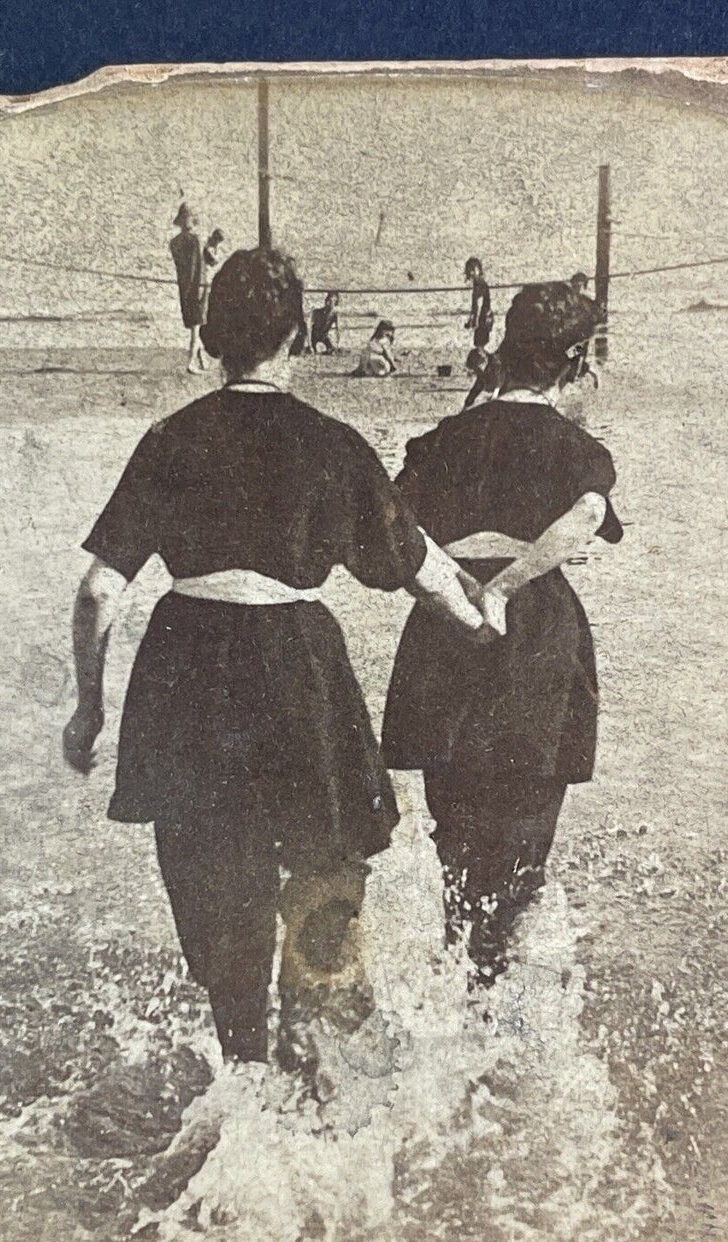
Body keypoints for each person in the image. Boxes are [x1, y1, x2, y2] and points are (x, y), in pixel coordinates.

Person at [63, 247, 486, 1070]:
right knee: (325, 860)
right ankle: (309, 1046)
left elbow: (97, 591)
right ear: (295, 334)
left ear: (216, 337)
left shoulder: (169, 438)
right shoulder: (331, 443)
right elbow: (414, 564)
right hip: (299, 666)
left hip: (186, 665)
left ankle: (241, 1064)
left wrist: (89, 709)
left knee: (215, 875)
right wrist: (480, 622)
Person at [382, 282, 624, 988]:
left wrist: (456, 587)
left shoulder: (440, 440)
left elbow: (391, 531)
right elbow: (585, 516)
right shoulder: (577, 446)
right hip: (536, 635)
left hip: (442, 633)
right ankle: (499, 1013)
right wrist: (505, 586)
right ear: (574, 359)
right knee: (521, 845)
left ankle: (458, 989)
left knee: (454, 840)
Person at [169, 202, 206, 372]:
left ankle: (201, 359)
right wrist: (197, 288)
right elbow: (195, 267)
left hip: (184, 288)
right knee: (196, 327)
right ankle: (191, 362)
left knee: (196, 325)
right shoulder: (194, 240)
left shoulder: (174, 242)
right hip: (196, 288)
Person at [464, 256, 493, 350]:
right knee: (480, 343)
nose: (471, 273)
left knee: (480, 345)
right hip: (483, 317)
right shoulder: (477, 283)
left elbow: (479, 302)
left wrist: (475, 320)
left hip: (483, 317)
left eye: (473, 269)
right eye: (469, 270)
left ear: (479, 270)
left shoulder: (479, 283)